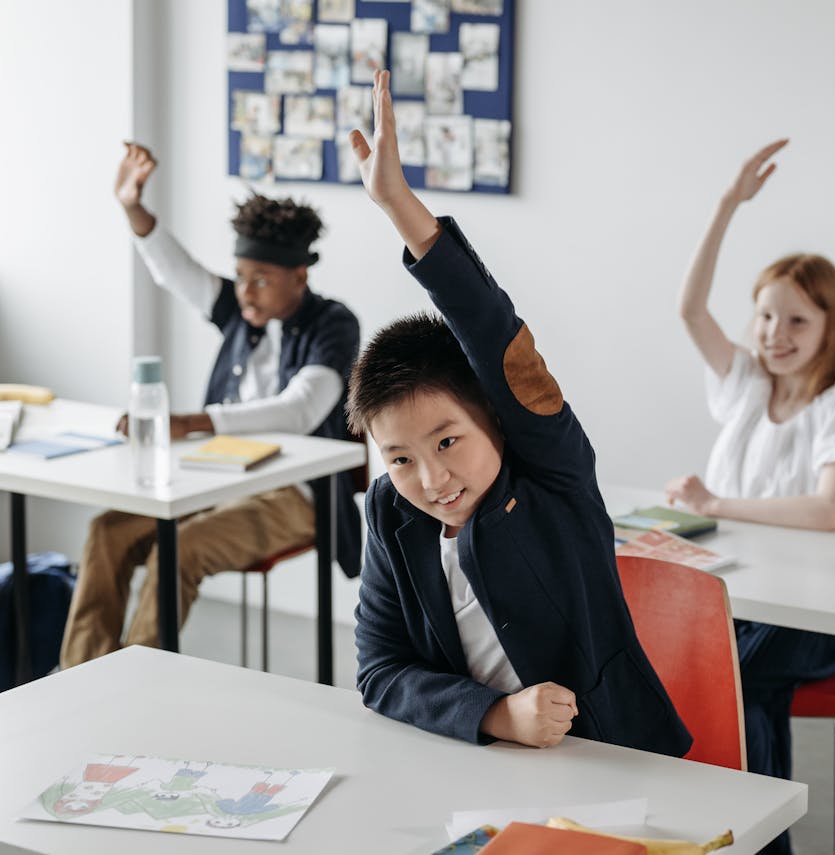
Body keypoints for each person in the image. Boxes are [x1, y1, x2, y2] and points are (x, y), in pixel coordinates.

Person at [344, 70, 691, 756]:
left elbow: (493, 333)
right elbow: (380, 672)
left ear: (496, 419)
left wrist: (399, 207)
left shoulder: (550, 474)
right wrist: (495, 714)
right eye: (401, 458)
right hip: (475, 769)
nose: (431, 477)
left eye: (448, 441)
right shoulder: (390, 512)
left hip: (612, 757)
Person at [59, 143, 362, 669]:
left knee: (180, 549)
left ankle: (131, 682)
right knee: (107, 531)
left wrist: (192, 422)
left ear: (300, 277)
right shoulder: (238, 308)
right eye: (241, 275)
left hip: (296, 495)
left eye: (261, 279)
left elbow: (301, 410)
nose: (245, 291)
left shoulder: (333, 324)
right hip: (218, 477)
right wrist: (133, 207)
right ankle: (78, 674)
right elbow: (174, 270)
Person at [664, 140, 835, 855]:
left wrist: (718, 503)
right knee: (734, 682)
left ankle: (722, 834)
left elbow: (828, 510)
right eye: (765, 317)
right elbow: (689, 306)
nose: (775, 335)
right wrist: (727, 204)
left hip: (815, 618)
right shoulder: (745, 385)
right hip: (737, 600)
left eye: (797, 320)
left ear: (830, 328)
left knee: (711, 676)